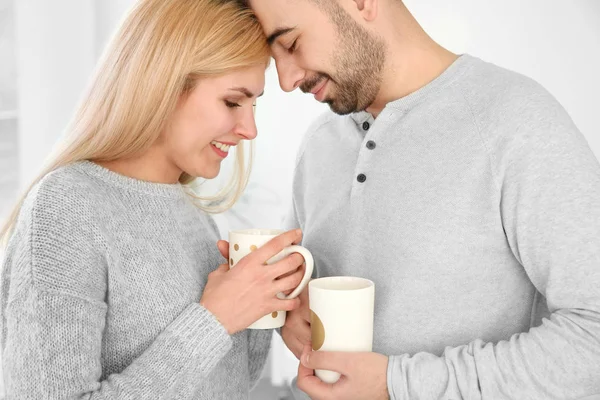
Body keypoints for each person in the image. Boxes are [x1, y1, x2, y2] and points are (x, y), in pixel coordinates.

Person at [229, 0, 600, 399]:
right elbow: (300, 297)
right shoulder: (320, 143)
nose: (286, 80)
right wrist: (290, 314)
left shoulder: (518, 123)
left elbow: (592, 338)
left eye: (291, 43)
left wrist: (396, 384)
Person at [0, 0, 307, 398]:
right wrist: (214, 319)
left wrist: (266, 309)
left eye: (254, 105)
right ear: (163, 84)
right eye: (233, 101)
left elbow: (222, 385)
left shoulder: (193, 217)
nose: (249, 129)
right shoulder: (67, 206)